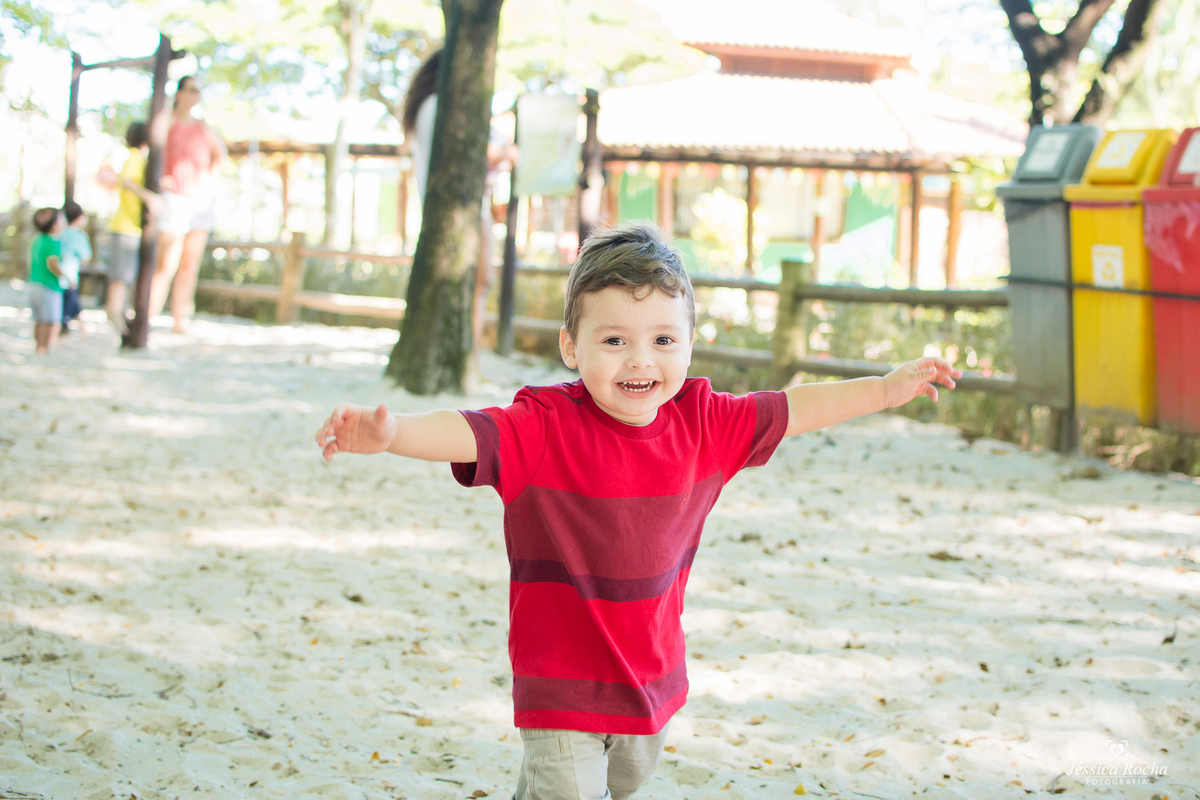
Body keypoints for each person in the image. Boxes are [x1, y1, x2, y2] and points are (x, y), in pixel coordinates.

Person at [315, 222, 961, 800]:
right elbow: (466, 431)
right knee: (569, 787)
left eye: (661, 339)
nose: (640, 360)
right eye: (615, 339)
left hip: (649, 677)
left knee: (622, 780)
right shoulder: (544, 427)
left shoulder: (707, 423)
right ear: (572, 346)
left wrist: (882, 389)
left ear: (688, 344)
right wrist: (392, 434)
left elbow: (797, 408)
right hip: (560, 677)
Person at [403, 49, 517, 354]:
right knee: (480, 282)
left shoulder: (430, 107)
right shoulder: (440, 107)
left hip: (461, 208)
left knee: (476, 284)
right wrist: (507, 153)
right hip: (464, 211)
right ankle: (468, 355)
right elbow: (480, 150)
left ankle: (468, 355)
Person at [149, 75, 225, 334]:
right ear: (179, 93)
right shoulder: (168, 122)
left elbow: (219, 156)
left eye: (199, 91)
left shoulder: (204, 127)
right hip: (174, 199)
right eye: (192, 90)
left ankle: (180, 318)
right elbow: (152, 151)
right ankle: (148, 313)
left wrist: (210, 181)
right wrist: (159, 178)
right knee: (166, 262)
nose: (196, 96)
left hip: (200, 201)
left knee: (189, 264)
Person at [101, 120, 157, 338]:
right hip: (125, 227)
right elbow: (127, 182)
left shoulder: (136, 158)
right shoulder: (135, 157)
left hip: (128, 227)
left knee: (123, 278)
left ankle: (120, 320)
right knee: (120, 278)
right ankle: (119, 321)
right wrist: (150, 197)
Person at [28, 207, 66, 355]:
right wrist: (66, 277)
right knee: (51, 320)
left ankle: (39, 346)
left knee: (39, 320)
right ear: (55, 224)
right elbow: (52, 263)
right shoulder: (54, 242)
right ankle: (45, 347)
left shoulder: (37, 240)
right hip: (49, 286)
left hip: (34, 284)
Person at [57, 201, 92, 336]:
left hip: (56, 277)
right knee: (72, 303)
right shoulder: (79, 236)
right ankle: (75, 329)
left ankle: (81, 328)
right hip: (70, 276)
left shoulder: (58, 233)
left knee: (66, 304)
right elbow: (86, 256)